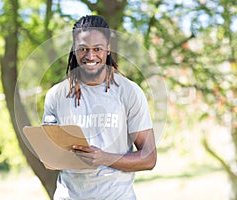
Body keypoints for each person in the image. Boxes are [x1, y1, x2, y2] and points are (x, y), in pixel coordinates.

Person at [42, 15, 157, 200]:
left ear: (108, 49)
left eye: (97, 49)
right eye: (83, 49)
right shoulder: (56, 95)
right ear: (73, 49)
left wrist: (105, 158)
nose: (90, 56)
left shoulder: (129, 92)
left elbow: (149, 158)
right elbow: (50, 157)